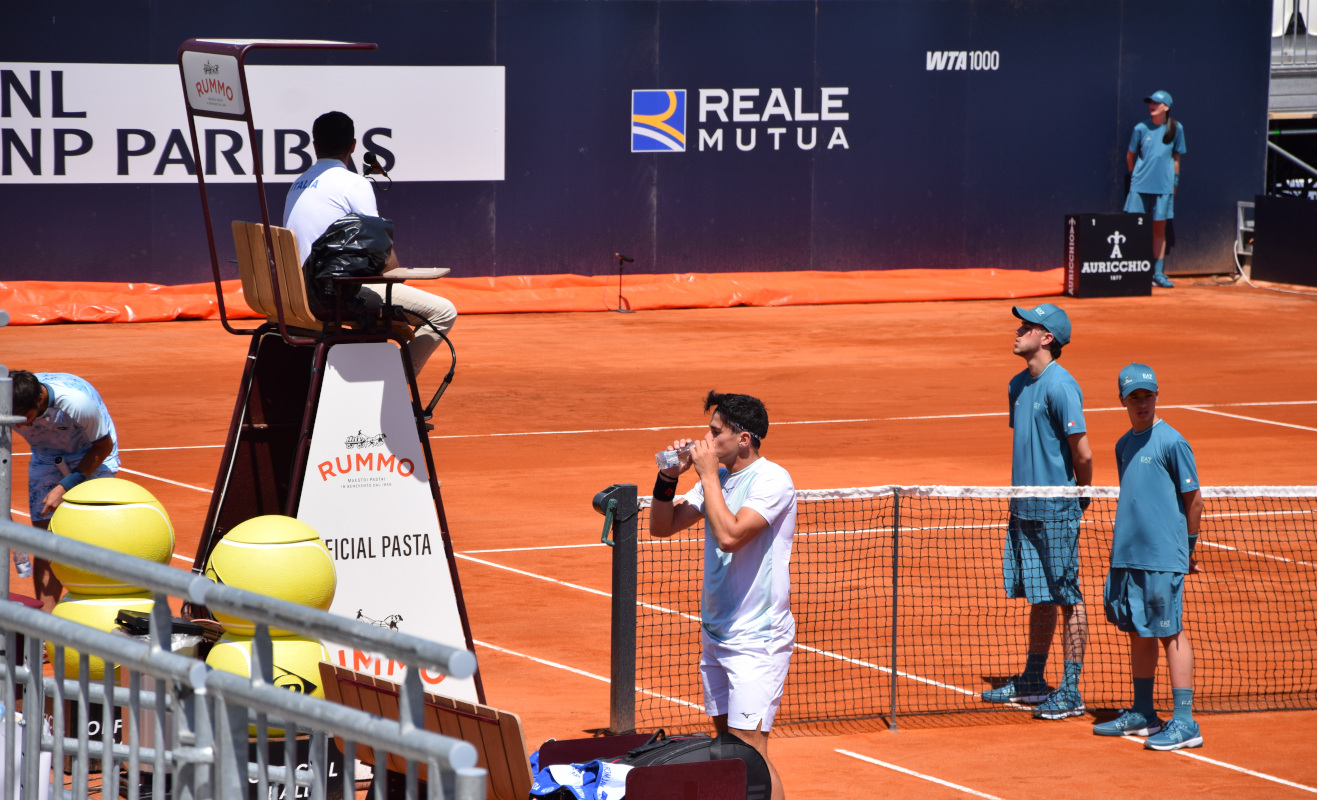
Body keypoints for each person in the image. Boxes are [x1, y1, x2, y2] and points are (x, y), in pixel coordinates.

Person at [649, 391, 796, 800]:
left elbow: (731, 535)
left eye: (715, 433)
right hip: (716, 633)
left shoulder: (772, 480)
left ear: (744, 439)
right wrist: (669, 478)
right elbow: (662, 526)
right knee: (725, 751)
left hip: (757, 640)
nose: (706, 440)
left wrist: (708, 474)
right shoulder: (721, 477)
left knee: (750, 753)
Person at [982, 304, 1093, 720]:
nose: (1018, 330)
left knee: (1068, 596)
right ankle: (1032, 679)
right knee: (1041, 594)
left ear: (1047, 338)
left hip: (1057, 508)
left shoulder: (1062, 387)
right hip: (1024, 507)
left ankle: (1071, 688)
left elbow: (1081, 453)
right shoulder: (1017, 385)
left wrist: (1080, 495)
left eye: (1027, 326)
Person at [284, 111, 457, 374]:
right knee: (444, 312)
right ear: (353, 146)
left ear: (315, 145)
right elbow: (385, 264)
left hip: (294, 295)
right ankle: (393, 388)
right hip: (333, 296)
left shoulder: (297, 185)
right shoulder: (354, 184)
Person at [1095, 363, 1204, 750]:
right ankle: (1143, 712)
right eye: (1134, 397)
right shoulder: (1124, 445)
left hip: (1162, 556)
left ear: (1158, 396)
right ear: (1123, 400)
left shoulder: (1172, 442)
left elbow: (1193, 500)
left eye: (1148, 396)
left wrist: (1188, 548)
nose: (1142, 403)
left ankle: (1185, 722)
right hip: (1128, 555)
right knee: (1138, 631)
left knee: (1168, 631)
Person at [9, 370, 120, 611]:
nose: (18, 425)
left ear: (39, 400)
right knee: (45, 542)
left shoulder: (77, 404)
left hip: (92, 451)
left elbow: (102, 446)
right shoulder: (7, 403)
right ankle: (45, 624)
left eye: (23, 418)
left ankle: (100, 610)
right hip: (46, 455)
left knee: (96, 536)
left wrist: (64, 486)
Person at [1124, 90, 1185, 288]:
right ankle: (1133, 271)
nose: (1151, 105)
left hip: (1164, 187)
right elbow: (1130, 156)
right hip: (1140, 187)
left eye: (1156, 103)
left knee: (1159, 230)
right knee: (1134, 228)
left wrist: (1174, 183)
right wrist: (1137, 178)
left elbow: (1176, 159)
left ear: (1166, 107)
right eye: (1150, 102)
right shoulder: (1140, 128)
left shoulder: (1177, 129)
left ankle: (1157, 274)